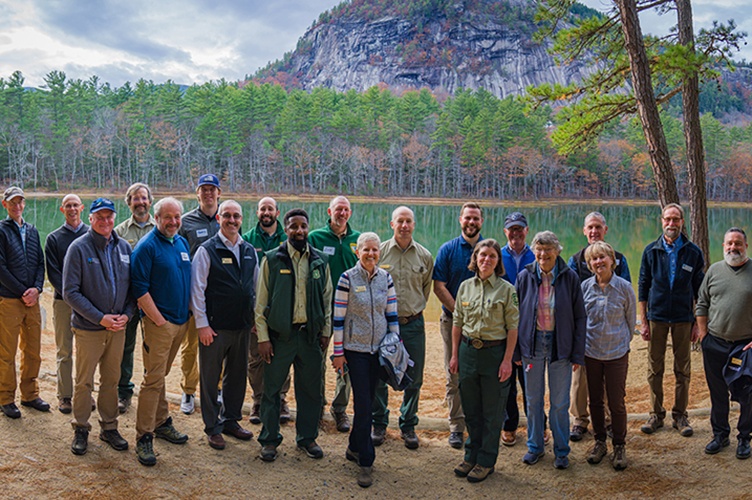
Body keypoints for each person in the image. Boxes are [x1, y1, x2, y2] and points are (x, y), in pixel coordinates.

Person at [255, 208, 332, 463]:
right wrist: (263, 338)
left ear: (308, 228)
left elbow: (327, 300)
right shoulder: (272, 259)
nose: (299, 230)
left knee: (310, 391)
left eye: (303, 226)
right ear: (285, 229)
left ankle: (307, 438)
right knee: (272, 390)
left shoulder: (320, 260)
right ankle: (269, 439)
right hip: (280, 337)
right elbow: (261, 301)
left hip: (309, 337)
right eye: (293, 226)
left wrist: (325, 331)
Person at [63, 198, 135, 456]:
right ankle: (81, 428)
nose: (105, 221)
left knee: (112, 380)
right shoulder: (78, 248)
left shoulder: (124, 248)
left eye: (109, 216)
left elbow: (131, 291)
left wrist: (126, 315)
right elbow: (70, 292)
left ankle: (109, 427)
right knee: (83, 382)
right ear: (90, 219)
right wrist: (99, 318)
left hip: (117, 329)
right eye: (99, 217)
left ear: (115, 217)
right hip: (89, 329)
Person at [332, 232, 399, 488]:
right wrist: (338, 353)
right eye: (366, 250)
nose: (371, 254)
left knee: (369, 401)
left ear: (379, 252)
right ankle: (366, 461)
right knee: (363, 406)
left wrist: (395, 348)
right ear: (357, 252)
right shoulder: (347, 279)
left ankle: (352, 447)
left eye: (375, 250)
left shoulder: (386, 279)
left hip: (379, 352)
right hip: (355, 351)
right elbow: (338, 320)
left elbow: (391, 315)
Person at [449, 239, 518, 483]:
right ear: (475, 258)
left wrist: (507, 360)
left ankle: (486, 461)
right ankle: (471, 456)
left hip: (494, 354)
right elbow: (457, 322)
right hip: (468, 353)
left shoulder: (507, 290)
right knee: (471, 408)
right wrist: (455, 355)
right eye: (482, 255)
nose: (486, 259)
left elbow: (512, 328)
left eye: (492, 256)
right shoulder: (465, 287)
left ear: (498, 261)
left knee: (492, 411)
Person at [516, 231, 586, 470]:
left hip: (560, 346)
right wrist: (517, 351)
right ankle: (535, 447)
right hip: (532, 346)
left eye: (548, 250)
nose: (543, 254)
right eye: (539, 249)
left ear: (557, 251)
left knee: (559, 402)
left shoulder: (570, 277)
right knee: (533, 399)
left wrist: (577, 353)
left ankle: (561, 451)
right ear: (534, 251)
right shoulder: (525, 276)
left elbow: (580, 317)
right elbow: (516, 316)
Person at [131, 197, 192, 466]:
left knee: (161, 374)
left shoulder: (181, 242)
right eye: (168, 217)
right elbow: (140, 290)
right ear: (157, 218)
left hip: (181, 323)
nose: (173, 221)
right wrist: (159, 321)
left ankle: (161, 421)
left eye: (177, 216)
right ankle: (144, 436)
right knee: (153, 380)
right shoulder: (146, 247)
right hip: (160, 325)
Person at [191, 200, 257, 450]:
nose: (232, 220)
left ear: (242, 219)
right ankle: (212, 426)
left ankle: (230, 420)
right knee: (210, 378)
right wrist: (202, 324)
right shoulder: (207, 250)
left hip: (241, 326)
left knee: (237, 376)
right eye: (227, 215)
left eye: (236, 216)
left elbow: (256, 288)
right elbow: (197, 290)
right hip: (214, 328)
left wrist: (254, 321)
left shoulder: (249, 250)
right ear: (218, 219)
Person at [638, 203, 704, 437]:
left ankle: (680, 415)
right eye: (668, 219)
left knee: (682, 369)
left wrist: (697, 323)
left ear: (682, 222)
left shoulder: (693, 252)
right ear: (661, 221)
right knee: (654, 367)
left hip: (683, 319)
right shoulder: (651, 251)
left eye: (676, 219)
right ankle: (656, 414)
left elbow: (700, 292)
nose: (671, 224)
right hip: (656, 317)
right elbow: (643, 286)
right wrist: (643, 321)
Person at [371, 206, 433, 449]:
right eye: (400, 221)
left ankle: (408, 425)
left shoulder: (425, 256)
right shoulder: (381, 252)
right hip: (384, 325)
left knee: (414, 377)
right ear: (392, 224)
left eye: (408, 221)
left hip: (413, 324)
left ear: (414, 225)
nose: (404, 225)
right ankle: (379, 423)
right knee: (380, 374)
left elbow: (425, 290)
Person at [567, 211, 631, 442]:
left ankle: (606, 421)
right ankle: (579, 419)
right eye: (590, 228)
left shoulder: (620, 259)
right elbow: (570, 299)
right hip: (585, 335)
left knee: (607, 384)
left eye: (598, 227)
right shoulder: (574, 261)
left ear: (605, 230)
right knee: (580, 380)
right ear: (584, 231)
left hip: (612, 336)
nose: (594, 231)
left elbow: (628, 302)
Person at [696, 227, 752, 459]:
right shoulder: (714, 271)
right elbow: (702, 303)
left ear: (746, 246)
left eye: (738, 243)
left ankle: (744, 438)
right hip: (715, 343)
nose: (733, 248)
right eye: (729, 243)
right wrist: (703, 336)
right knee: (717, 391)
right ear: (723, 246)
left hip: (745, 346)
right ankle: (720, 435)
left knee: (748, 393)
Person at [432, 202, 484, 448]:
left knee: (479, 374)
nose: (471, 222)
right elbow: (438, 285)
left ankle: (477, 425)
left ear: (481, 221)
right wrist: (460, 312)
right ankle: (456, 426)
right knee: (454, 374)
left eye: (475, 218)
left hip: (485, 325)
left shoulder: (489, 249)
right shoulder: (448, 249)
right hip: (452, 321)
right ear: (460, 220)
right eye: (467, 218)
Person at [580, 241, 635, 471]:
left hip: (616, 354)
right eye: (594, 259)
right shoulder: (584, 287)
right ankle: (600, 442)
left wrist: (622, 343)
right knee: (595, 401)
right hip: (591, 353)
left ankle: (619, 445)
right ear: (589, 264)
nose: (598, 262)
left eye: (603, 257)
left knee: (616, 402)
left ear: (612, 259)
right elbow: (581, 320)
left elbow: (631, 321)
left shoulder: (624, 288)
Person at [308, 195, 360, 432]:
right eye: (338, 209)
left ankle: (339, 409)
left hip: (349, 310)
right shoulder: (315, 238)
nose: (342, 213)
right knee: (316, 359)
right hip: (321, 309)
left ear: (350, 213)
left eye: (346, 210)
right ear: (329, 212)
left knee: (345, 360)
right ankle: (316, 407)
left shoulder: (357, 240)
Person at [242, 196, 292, 424]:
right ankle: (258, 400)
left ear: (277, 212)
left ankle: (280, 399)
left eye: (270, 208)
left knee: (282, 356)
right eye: (262, 208)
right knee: (255, 359)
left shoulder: (288, 239)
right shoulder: (247, 240)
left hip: (283, 309)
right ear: (257, 212)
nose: (266, 212)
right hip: (256, 308)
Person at [0, 186, 48, 419]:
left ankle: (30, 394)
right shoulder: (1, 230)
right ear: (5, 205)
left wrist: (37, 289)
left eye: (20, 202)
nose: (17, 206)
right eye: (12, 202)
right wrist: (22, 292)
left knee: (33, 350)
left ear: (24, 204)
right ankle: (6, 397)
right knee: (6, 352)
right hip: (9, 300)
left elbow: (40, 263)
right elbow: (0, 268)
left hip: (32, 301)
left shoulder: (32, 230)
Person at [177, 173, 221, 415]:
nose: (208, 193)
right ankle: (189, 390)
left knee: (221, 343)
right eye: (203, 189)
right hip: (195, 294)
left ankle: (219, 388)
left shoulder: (227, 218)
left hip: (221, 294)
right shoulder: (186, 222)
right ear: (197, 193)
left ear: (218, 193)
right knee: (191, 345)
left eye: (212, 189)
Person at [114, 182, 156, 413]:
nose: (140, 202)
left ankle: (153, 391)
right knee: (126, 348)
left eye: (143, 198)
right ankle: (124, 392)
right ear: (129, 203)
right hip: (129, 303)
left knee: (153, 348)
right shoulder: (119, 232)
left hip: (155, 302)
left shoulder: (161, 228)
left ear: (150, 201)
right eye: (135, 199)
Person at [45, 194, 88, 414]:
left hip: (88, 303)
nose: (72, 209)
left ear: (81, 208)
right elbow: (53, 274)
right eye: (68, 206)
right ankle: (65, 395)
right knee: (64, 349)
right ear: (62, 210)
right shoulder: (54, 239)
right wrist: (72, 296)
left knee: (86, 350)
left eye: (75, 205)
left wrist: (85, 299)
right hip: (63, 301)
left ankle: (84, 393)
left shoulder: (91, 234)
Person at [499, 211, 536, 447]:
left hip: (530, 330)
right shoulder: (496, 255)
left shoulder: (536, 255)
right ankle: (509, 425)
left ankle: (536, 424)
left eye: (519, 228)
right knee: (507, 382)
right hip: (502, 329)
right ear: (505, 232)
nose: (515, 233)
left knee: (531, 382)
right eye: (511, 229)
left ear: (526, 231)